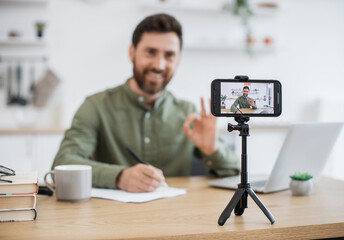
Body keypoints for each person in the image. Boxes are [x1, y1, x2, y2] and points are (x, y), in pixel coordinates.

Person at [52, 13, 239, 193]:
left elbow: (235, 173)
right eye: (151, 52)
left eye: (169, 55)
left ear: (178, 59)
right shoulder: (95, 107)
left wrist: (213, 150)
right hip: (111, 219)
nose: (159, 65)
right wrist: (119, 177)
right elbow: (63, 164)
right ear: (132, 52)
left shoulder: (188, 113)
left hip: (177, 219)